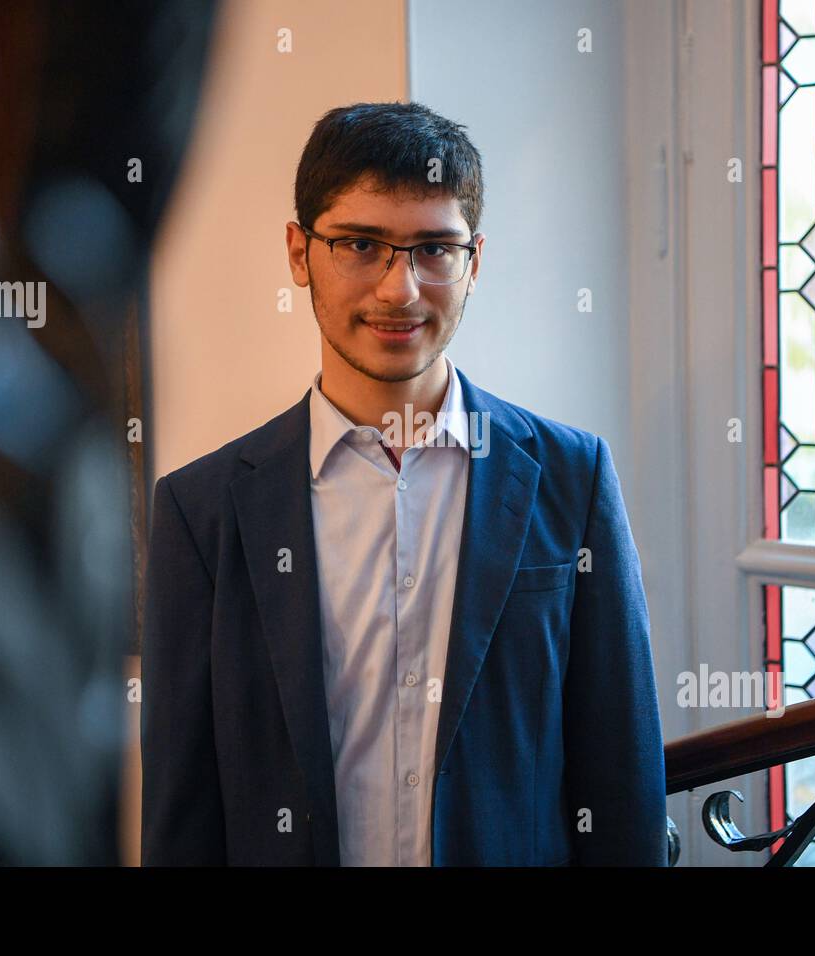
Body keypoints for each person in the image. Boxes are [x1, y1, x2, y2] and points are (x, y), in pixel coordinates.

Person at [141, 101, 667, 866]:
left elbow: (620, 776)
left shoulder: (572, 479)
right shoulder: (201, 511)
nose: (400, 290)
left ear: (474, 262)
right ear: (299, 252)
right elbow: (181, 815)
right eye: (361, 244)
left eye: (433, 249)